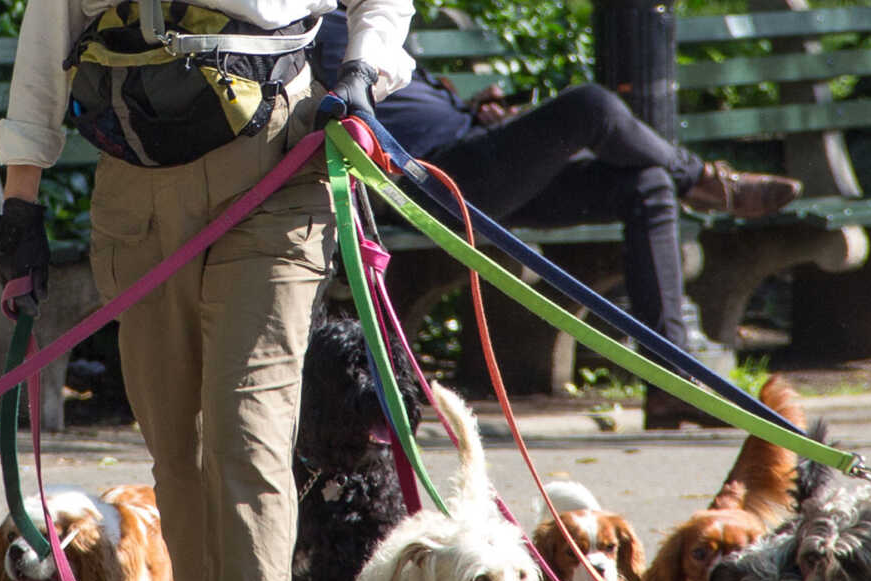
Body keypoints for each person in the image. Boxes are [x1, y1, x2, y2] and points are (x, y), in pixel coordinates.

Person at [0, 0, 413, 581]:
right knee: (175, 455)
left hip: (276, 172)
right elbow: (45, 45)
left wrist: (361, 70)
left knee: (247, 435)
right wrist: (21, 206)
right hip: (137, 195)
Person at [313, 9, 802, 428]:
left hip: (478, 162)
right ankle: (705, 181)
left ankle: (670, 383)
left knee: (646, 184)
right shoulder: (317, 22)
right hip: (432, 177)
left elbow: (405, 103)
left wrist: (477, 112)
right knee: (589, 106)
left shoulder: (365, 15)